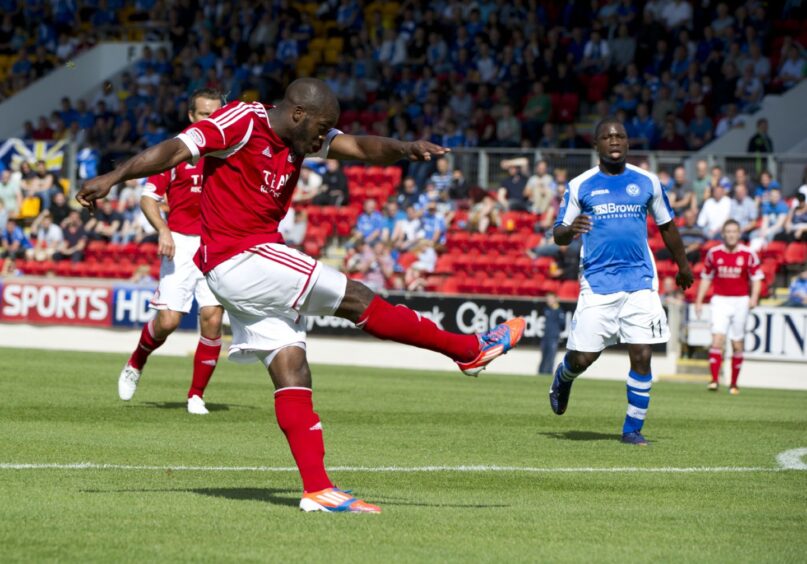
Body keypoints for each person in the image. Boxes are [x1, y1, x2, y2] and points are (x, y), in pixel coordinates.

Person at [77, 78, 525, 514]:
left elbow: (359, 147)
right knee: (355, 298)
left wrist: (406, 149)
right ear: (297, 114)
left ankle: (317, 490)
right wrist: (115, 176)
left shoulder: (300, 135)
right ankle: (467, 349)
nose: (323, 138)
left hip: (235, 271)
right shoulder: (243, 121)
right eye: (320, 127)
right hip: (244, 256)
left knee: (291, 364)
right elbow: (176, 149)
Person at [547, 117, 693, 446]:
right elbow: (558, 234)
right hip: (598, 283)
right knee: (585, 357)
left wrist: (683, 265)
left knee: (642, 354)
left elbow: (667, 225)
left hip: (640, 280)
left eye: (620, 137)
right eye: (607, 137)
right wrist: (570, 230)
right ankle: (564, 376)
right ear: (596, 145)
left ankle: (632, 430)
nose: (614, 141)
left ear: (628, 144)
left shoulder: (647, 182)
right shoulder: (580, 185)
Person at [117, 89, 226, 415]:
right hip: (181, 242)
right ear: (192, 117)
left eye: (217, 113)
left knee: (212, 318)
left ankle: (196, 395)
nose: (212, 119)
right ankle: (136, 361)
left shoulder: (230, 151)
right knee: (168, 320)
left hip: (218, 243)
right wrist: (163, 230)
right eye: (206, 114)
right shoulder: (178, 151)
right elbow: (148, 198)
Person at [695, 220, 763, 395]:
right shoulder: (713, 253)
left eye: (734, 231)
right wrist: (699, 300)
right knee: (717, 339)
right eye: (728, 232)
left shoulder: (749, 254)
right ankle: (714, 380)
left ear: (739, 234)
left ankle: (734, 383)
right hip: (720, 300)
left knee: (737, 343)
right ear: (723, 234)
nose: (731, 235)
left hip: (741, 301)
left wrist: (754, 298)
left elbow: (756, 278)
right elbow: (706, 277)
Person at [538, 292, 565, 376]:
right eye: (547, 298)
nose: (548, 300)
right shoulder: (546, 309)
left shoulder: (559, 311)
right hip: (545, 337)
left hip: (553, 338)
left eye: (550, 298)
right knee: (543, 357)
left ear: (555, 299)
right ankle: (540, 374)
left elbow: (563, 325)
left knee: (550, 358)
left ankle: (548, 375)